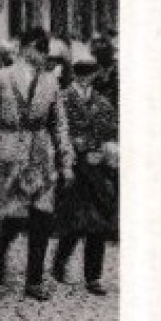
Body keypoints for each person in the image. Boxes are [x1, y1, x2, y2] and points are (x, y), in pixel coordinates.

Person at [0, 26, 74, 300]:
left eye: (46, 50)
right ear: (26, 48)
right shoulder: (0, 78)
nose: (45, 55)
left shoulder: (51, 82)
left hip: (40, 155)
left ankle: (34, 280)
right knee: (14, 216)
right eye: (40, 49)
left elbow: (59, 124)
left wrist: (66, 160)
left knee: (42, 216)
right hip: (8, 154)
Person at [52, 45, 119, 295]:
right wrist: (74, 152)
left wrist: (103, 151)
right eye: (80, 73)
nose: (84, 77)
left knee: (98, 224)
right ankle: (60, 263)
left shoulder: (102, 103)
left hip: (97, 169)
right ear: (74, 74)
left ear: (94, 75)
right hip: (74, 168)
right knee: (75, 222)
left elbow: (111, 132)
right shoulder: (63, 99)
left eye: (88, 73)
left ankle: (94, 277)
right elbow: (57, 131)